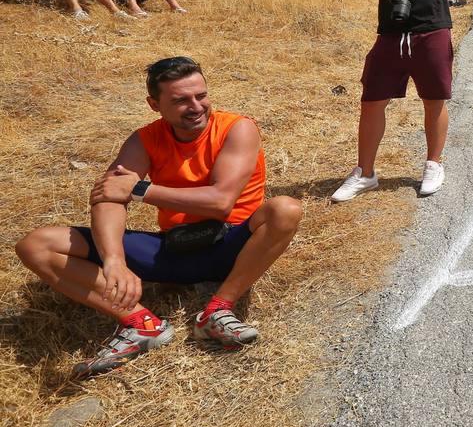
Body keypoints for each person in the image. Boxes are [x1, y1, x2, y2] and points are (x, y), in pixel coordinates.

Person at [14, 56, 302, 378]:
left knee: (285, 209)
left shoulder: (237, 128)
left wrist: (140, 189)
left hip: (233, 246)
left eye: (201, 95)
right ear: (155, 104)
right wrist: (114, 261)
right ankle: (142, 324)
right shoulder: (144, 139)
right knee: (37, 245)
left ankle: (217, 311)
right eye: (180, 100)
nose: (196, 107)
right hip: (175, 249)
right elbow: (108, 196)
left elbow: (220, 202)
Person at [329, 0, 461, 202]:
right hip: (390, 30)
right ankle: (365, 173)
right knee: (371, 101)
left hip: (431, 27)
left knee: (433, 99)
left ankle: (433, 164)